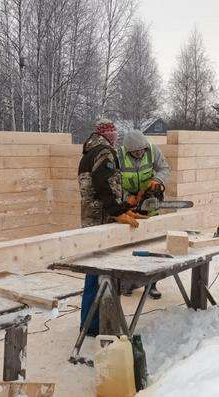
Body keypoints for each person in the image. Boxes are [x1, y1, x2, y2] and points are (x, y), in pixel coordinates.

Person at [77, 119, 147, 336]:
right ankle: (94, 325)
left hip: (96, 216)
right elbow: (103, 185)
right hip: (100, 220)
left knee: (95, 272)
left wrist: (125, 207)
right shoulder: (104, 152)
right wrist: (118, 213)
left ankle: (93, 322)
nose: (116, 135)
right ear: (107, 133)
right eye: (113, 132)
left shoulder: (92, 151)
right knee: (98, 272)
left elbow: (109, 188)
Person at [118, 129, 170, 299]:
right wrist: (128, 199)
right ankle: (127, 282)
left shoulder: (152, 150)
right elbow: (114, 183)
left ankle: (151, 284)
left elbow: (164, 168)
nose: (140, 153)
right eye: (136, 151)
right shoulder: (118, 156)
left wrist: (157, 181)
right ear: (128, 150)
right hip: (129, 205)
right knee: (129, 246)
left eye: (142, 150)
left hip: (149, 204)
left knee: (150, 247)